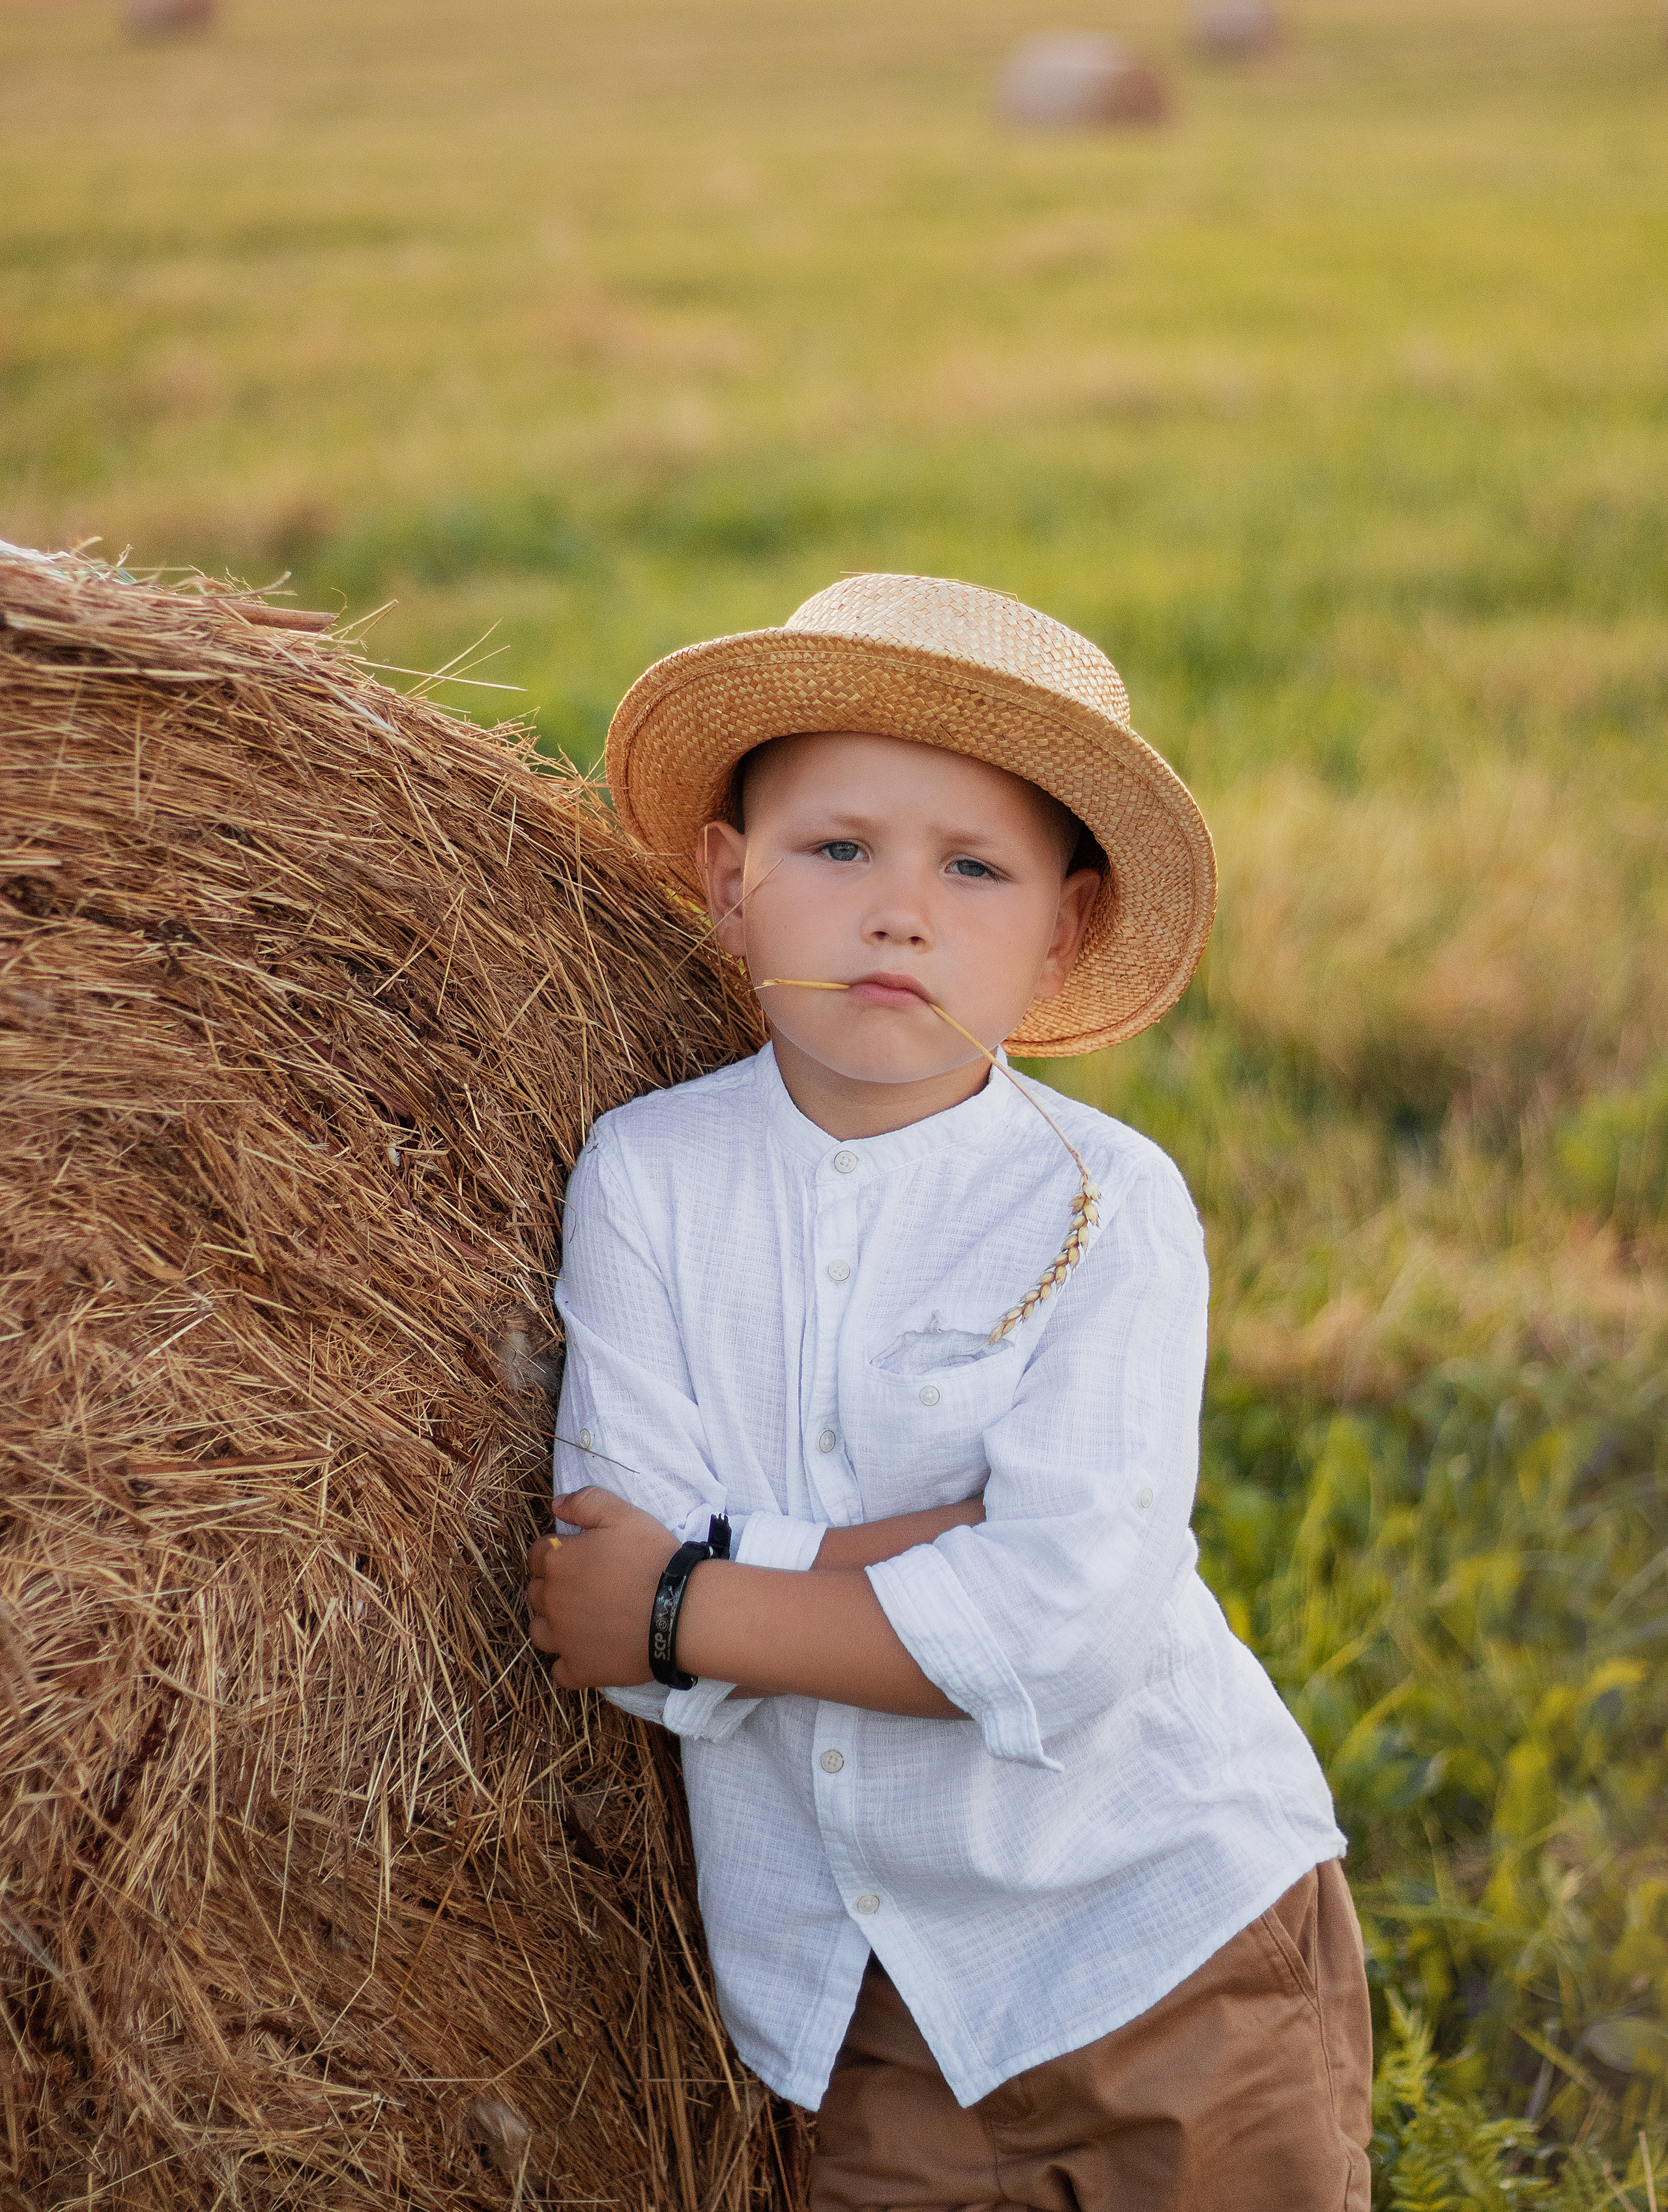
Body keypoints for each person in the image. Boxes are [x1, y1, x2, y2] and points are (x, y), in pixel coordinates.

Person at [526, 573, 1372, 2210]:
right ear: (730, 882)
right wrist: (927, 1553)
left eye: (972, 868)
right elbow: (596, 1571)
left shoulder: (1103, 1204)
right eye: (838, 849)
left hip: (1164, 1942)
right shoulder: (645, 1177)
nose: (898, 914)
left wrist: (688, 1601)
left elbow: (1058, 1629)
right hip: (858, 2010)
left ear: (1062, 932)